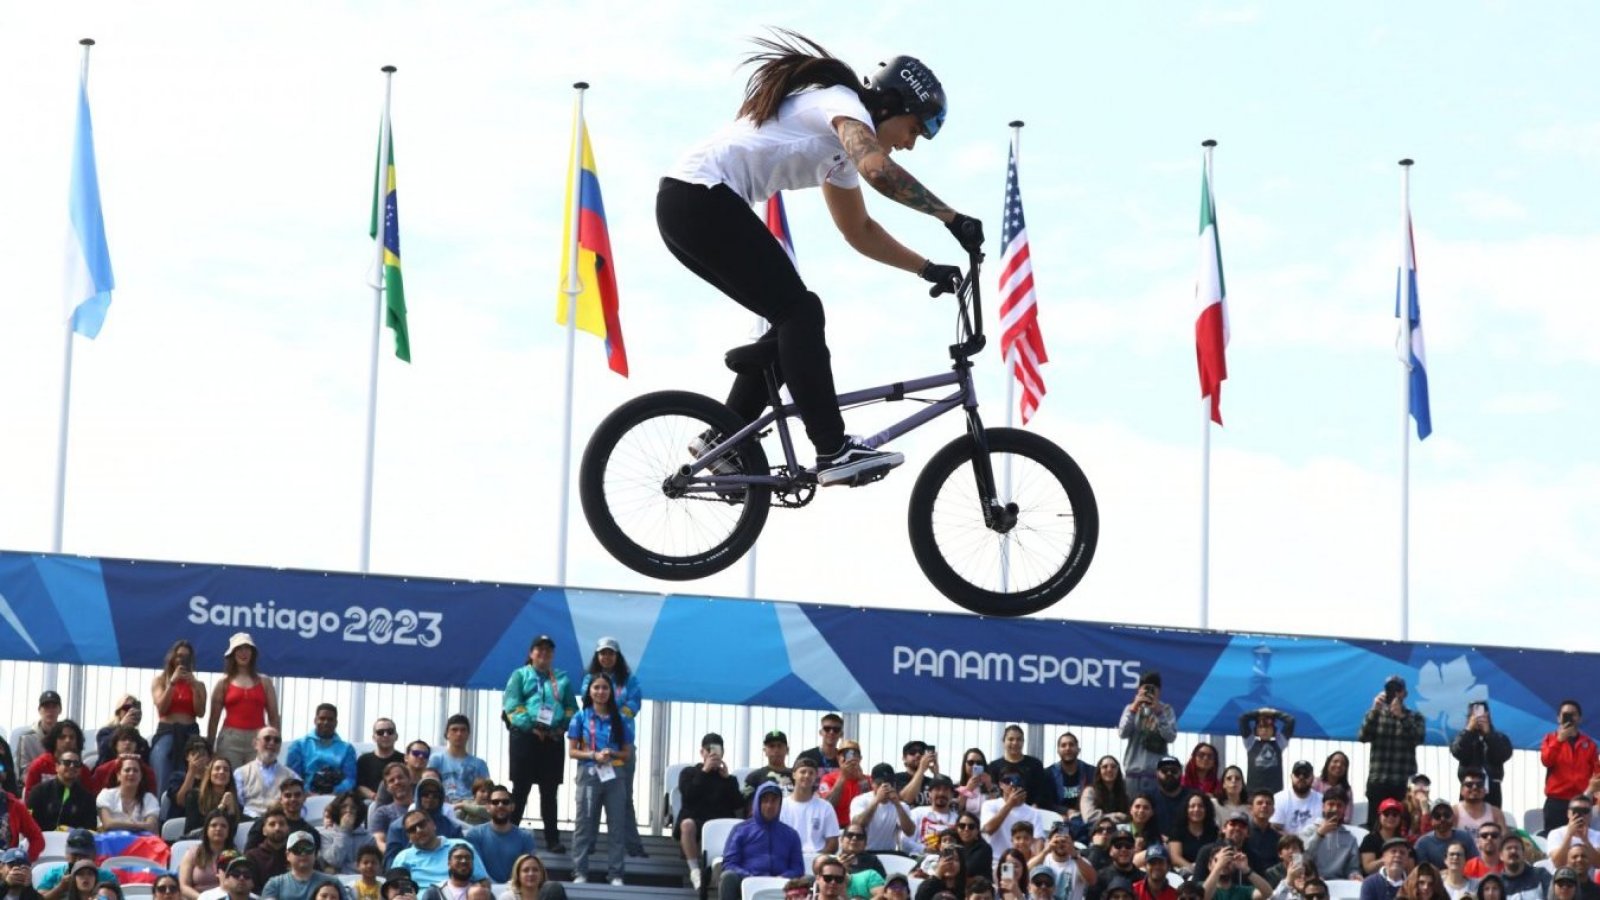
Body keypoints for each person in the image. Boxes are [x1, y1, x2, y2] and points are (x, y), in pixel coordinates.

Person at [659, 30, 981, 487]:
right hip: (699, 199)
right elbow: (878, 171)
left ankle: (724, 439)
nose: (912, 143)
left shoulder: (841, 150)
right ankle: (832, 448)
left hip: (690, 207)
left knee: (790, 323)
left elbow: (860, 231)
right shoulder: (841, 103)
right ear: (888, 104)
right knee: (800, 312)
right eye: (915, 128)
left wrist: (926, 268)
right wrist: (951, 217)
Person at [501, 634, 575, 853]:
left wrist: (562, 726)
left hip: (553, 739)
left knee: (550, 791)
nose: (544, 654)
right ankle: (509, 835)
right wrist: (531, 727)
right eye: (539, 649)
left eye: (548, 650)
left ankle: (552, 839)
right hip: (525, 738)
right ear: (531, 653)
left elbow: (572, 708)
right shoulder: (520, 675)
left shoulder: (562, 678)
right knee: (521, 789)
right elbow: (512, 706)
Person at [577, 636, 646, 857]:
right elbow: (588, 706)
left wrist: (616, 713)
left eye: (611, 653)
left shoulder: (629, 680)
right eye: (602, 653)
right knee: (591, 802)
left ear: (617, 656)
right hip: (594, 752)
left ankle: (633, 847)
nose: (606, 657)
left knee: (624, 798)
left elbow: (634, 703)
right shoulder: (590, 679)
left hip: (620, 750)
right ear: (597, 656)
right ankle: (588, 848)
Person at [564, 671, 632, 886]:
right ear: (589, 691)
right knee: (584, 823)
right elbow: (572, 752)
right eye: (596, 688)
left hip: (615, 773)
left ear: (611, 692)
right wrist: (593, 755)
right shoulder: (580, 717)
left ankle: (616, 874)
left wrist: (610, 754)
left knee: (617, 825)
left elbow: (626, 753)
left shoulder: (621, 720)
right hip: (589, 773)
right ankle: (580, 872)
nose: (601, 692)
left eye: (605, 688)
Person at [676, 731, 743, 889]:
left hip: (721, 823)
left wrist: (727, 780)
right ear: (702, 752)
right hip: (697, 820)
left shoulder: (729, 779)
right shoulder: (689, 773)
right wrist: (704, 772)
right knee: (686, 825)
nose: (712, 754)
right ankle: (694, 871)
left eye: (716, 750)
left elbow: (738, 804)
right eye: (708, 750)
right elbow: (688, 796)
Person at [1358, 677, 1426, 830]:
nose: (1394, 693)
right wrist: (1374, 709)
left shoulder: (1415, 716)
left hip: (1403, 782)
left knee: (1403, 826)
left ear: (1405, 693)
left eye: (1398, 690)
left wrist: (1401, 717)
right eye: (1390, 689)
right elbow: (1363, 736)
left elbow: (1418, 738)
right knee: (1375, 827)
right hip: (1378, 781)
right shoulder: (1377, 714)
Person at [719, 782, 805, 900]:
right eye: (765, 801)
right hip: (747, 881)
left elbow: (798, 868)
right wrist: (749, 876)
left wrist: (783, 877)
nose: (769, 805)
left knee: (810, 880)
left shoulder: (791, 834)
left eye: (774, 801)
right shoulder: (740, 830)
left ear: (780, 804)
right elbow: (729, 864)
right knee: (727, 877)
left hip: (782, 884)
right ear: (757, 804)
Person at [208, 632, 281, 769]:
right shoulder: (223, 683)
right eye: (239, 649)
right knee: (231, 782)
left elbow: (273, 716)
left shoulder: (265, 682)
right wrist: (210, 748)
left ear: (253, 653)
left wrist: (275, 743)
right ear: (233, 654)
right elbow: (213, 719)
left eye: (247, 648)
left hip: (259, 738)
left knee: (257, 781)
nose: (243, 653)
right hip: (230, 739)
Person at [151, 640, 209, 800]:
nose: (182, 660)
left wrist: (194, 687)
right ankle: (161, 804)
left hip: (190, 731)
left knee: (195, 764)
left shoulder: (199, 684)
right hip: (167, 730)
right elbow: (161, 708)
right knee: (162, 758)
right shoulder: (160, 681)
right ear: (172, 658)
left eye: (186, 657)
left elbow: (200, 712)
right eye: (179, 656)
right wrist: (172, 683)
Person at [1541, 701, 1600, 837]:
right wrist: (1559, 740)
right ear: (1558, 718)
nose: (1569, 717)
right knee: (1555, 840)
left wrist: (1595, 798)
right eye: (1565, 714)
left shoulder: (1589, 744)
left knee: (1580, 840)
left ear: (1579, 718)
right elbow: (1546, 761)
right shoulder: (1550, 739)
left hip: (1582, 801)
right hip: (1556, 802)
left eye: (1573, 714)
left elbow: (1597, 773)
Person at [391, 811, 487, 891]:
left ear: (433, 824)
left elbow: (483, 882)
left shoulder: (462, 847)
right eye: (412, 829)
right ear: (409, 837)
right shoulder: (403, 858)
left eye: (422, 824)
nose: (419, 830)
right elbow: (394, 891)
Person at [1120, 674, 1178, 798]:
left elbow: (1171, 737)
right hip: (1133, 774)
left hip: (1156, 775)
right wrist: (1134, 708)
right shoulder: (1130, 708)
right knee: (1134, 812)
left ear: (1159, 691)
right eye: (1146, 688)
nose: (1149, 692)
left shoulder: (1166, 710)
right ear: (1139, 689)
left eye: (1153, 689)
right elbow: (1123, 733)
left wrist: (1159, 713)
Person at [463, 785, 532, 885]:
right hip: (483, 890)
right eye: (495, 802)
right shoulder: (475, 835)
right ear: (488, 807)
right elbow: (477, 869)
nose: (500, 805)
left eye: (505, 802)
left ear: (512, 807)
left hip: (515, 891)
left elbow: (527, 869)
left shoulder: (525, 837)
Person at [1449, 704, 1512, 810]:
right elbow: (1458, 752)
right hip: (1468, 788)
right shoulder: (1463, 736)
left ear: (1488, 716)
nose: (1478, 718)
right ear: (1469, 717)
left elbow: (1501, 755)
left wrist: (1488, 735)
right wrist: (1469, 729)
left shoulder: (1500, 737)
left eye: (1482, 715)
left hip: (1492, 789)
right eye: (1474, 715)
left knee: (1492, 822)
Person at [285, 705, 356, 797]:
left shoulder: (347, 748)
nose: (326, 722)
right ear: (315, 720)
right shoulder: (298, 745)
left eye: (330, 719)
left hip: (337, 798)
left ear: (336, 722)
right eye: (322, 718)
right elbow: (293, 776)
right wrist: (308, 792)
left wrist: (334, 792)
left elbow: (350, 780)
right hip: (304, 797)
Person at [1299, 787, 1362, 881]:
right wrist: (1319, 834)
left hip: (1339, 885)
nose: (1335, 809)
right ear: (1323, 807)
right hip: (1313, 883)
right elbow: (1301, 858)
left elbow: (1352, 868)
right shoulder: (1308, 831)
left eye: (1339, 805)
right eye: (1331, 804)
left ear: (1344, 809)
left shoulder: (1350, 838)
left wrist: (1354, 875)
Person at [262, 830, 345, 900]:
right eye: (298, 849)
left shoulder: (333, 883)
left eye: (308, 849)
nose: (303, 853)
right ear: (287, 855)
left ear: (315, 853)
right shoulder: (275, 884)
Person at [783, 756, 842, 854]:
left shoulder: (825, 807)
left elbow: (833, 843)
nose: (807, 776)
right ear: (794, 775)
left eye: (811, 773)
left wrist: (817, 859)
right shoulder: (781, 806)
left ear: (815, 777)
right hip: (787, 858)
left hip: (818, 860)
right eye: (803, 772)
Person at [25, 747, 95, 831]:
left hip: (74, 842)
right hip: (44, 840)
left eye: (76, 764)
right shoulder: (39, 792)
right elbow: (29, 822)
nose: (72, 766)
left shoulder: (87, 797)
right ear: (57, 767)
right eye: (67, 763)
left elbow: (90, 828)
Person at [983, 766, 1045, 858]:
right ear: (1000, 784)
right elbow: (988, 829)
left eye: (1017, 780)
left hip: (1023, 864)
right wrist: (1010, 804)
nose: (1012, 784)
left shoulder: (1034, 813)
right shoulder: (989, 805)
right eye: (1007, 781)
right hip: (996, 861)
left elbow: (1038, 846)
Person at [32, 829, 114, 900]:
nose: (78, 860)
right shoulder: (53, 874)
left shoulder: (107, 877)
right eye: (75, 855)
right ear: (66, 854)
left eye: (84, 855)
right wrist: (60, 888)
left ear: (94, 855)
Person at [248, 776, 320, 854]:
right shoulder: (264, 824)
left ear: (304, 797)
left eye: (297, 795)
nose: (293, 799)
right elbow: (248, 855)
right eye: (288, 795)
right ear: (281, 799)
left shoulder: (311, 833)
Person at [850, 763, 914, 851]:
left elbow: (910, 832)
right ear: (872, 783)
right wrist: (876, 800)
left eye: (889, 783)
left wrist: (897, 804)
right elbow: (857, 824)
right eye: (879, 783)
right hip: (864, 852)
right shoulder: (860, 800)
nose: (884, 787)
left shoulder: (901, 805)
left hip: (888, 852)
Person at [1029, 821, 1094, 900]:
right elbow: (1026, 872)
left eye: (1065, 840)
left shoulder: (1079, 861)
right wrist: (1046, 851)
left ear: (1072, 842)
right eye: (1057, 839)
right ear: (1049, 841)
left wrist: (1074, 854)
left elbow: (1092, 880)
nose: (1061, 843)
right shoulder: (1043, 859)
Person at [181, 812, 238, 900]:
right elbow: (184, 886)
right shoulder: (192, 853)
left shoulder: (235, 855)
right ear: (206, 830)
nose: (218, 829)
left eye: (223, 826)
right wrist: (203, 898)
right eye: (213, 825)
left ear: (228, 831)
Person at [96, 755, 159, 831]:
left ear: (141, 776)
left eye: (135, 770)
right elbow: (108, 824)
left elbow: (151, 827)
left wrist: (120, 824)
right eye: (127, 770)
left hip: (140, 842)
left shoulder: (149, 798)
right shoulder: (106, 795)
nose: (131, 773)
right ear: (118, 775)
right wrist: (140, 825)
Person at [23, 720, 86, 794]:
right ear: (53, 740)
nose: (67, 740)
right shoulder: (39, 766)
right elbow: (29, 797)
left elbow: (89, 798)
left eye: (72, 737)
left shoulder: (82, 770)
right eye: (62, 737)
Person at [185, 755, 243, 835]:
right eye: (217, 768)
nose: (222, 772)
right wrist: (221, 807)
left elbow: (233, 833)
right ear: (210, 774)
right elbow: (192, 829)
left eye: (226, 770)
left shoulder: (234, 802)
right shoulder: (194, 797)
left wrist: (231, 811)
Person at [89, 728, 157, 794]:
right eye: (123, 739)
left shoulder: (147, 771)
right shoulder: (102, 771)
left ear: (137, 746)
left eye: (132, 740)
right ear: (116, 744)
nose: (127, 743)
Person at [821, 740, 873, 827]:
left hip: (860, 829)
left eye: (854, 754)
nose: (850, 758)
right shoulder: (828, 779)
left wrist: (862, 781)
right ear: (838, 758)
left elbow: (872, 805)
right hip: (836, 828)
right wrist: (843, 777)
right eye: (845, 754)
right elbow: (827, 805)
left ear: (860, 758)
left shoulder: (869, 779)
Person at [315, 791, 368, 875]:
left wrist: (340, 868)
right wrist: (344, 831)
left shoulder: (368, 837)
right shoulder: (324, 835)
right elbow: (334, 861)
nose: (348, 811)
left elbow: (368, 866)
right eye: (344, 807)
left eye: (353, 807)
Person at [1414, 799, 1477, 869]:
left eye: (1446, 815)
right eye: (1437, 816)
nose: (1442, 819)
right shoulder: (1423, 843)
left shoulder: (1465, 838)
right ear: (1431, 820)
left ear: (1453, 817)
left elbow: (1475, 865)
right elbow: (1422, 872)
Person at [1169, 793, 1219, 876]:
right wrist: (1195, 869)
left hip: (1209, 873)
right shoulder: (1177, 830)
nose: (1196, 809)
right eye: (1192, 806)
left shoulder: (1214, 831)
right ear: (1186, 809)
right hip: (1184, 874)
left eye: (1201, 806)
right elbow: (1175, 857)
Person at [15, 693, 64, 777]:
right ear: (39, 710)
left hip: (62, 787)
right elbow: (23, 773)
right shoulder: (26, 738)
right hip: (34, 786)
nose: (50, 710)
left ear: (60, 710)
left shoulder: (67, 738)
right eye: (46, 707)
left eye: (54, 707)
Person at [1048, 733, 1094, 821]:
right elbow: (1046, 803)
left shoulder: (1090, 772)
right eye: (1063, 745)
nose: (1068, 748)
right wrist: (1066, 811)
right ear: (1058, 750)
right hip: (1060, 820)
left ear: (1078, 749)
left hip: (1086, 819)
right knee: (1063, 833)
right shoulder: (1049, 773)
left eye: (1071, 745)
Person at [1360, 799, 1411, 876]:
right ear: (1379, 816)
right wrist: (1389, 859)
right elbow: (1368, 869)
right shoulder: (1369, 839)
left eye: (1395, 814)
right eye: (1386, 814)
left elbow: (1410, 870)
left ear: (1400, 818)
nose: (1390, 817)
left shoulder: (1405, 842)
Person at [1202, 845, 1271, 900]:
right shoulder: (1199, 887)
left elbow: (1268, 893)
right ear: (1209, 865)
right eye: (1217, 860)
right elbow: (1203, 897)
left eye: (1229, 860)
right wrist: (1218, 867)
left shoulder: (1243, 891)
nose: (1225, 863)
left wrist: (1246, 869)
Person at [1154, 758, 1201, 837]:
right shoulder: (1148, 798)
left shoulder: (1193, 797)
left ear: (1181, 773)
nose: (1169, 774)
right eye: (1164, 771)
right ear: (1157, 774)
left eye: (1174, 771)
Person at [1272, 763, 1324, 835]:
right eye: (1297, 774)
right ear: (1291, 776)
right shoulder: (1278, 798)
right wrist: (1294, 842)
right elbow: (1275, 827)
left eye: (1305, 774)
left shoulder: (1322, 800)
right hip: (1287, 844)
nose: (1301, 777)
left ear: (1312, 778)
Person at [416, 844, 482, 900]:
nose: (463, 861)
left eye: (467, 858)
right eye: (458, 858)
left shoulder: (482, 892)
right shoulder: (434, 893)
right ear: (449, 864)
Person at [1495, 833, 1549, 900]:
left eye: (1517, 848)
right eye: (1509, 848)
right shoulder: (1496, 884)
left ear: (1523, 854)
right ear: (1501, 856)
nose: (1513, 851)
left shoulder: (1541, 875)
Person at [356, 721, 400, 803]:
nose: (385, 735)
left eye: (390, 732)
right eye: (380, 732)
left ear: (396, 736)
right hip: (370, 802)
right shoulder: (364, 760)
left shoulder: (403, 760)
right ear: (374, 737)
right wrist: (375, 797)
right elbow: (359, 786)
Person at [1451, 771, 1505, 836]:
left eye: (1479, 785)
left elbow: (1504, 840)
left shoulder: (1496, 813)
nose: (1474, 787)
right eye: (1469, 785)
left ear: (1485, 790)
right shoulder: (1453, 812)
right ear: (1461, 790)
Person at [247, 806, 292, 883]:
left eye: (282, 824)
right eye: (272, 824)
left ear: (288, 829)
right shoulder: (252, 856)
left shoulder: (296, 855)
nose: (277, 828)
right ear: (264, 830)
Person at [1084, 757, 1131, 827]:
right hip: (1097, 831)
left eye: (1113, 767)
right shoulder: (1090, 791)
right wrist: (1115, 816)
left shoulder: (1125, 791)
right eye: (1105, 767)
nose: (1109, 770)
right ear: (1099, 771)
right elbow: (1089, 817)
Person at [749, 730, 796, 797]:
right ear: (765, 751)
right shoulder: (754, 777)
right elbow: (747, 804)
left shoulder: (798, 776)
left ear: (787, 750)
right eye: (771, 746)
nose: (776, 750)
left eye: (779, 746)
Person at [499, 854, 564, 900]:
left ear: (541, 874)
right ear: (518, 875)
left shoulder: (550, 896)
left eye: (535, 870)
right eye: (526, 870)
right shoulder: (507, 898)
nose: (531, 874)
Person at [1314, 754, 1355, 824]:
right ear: (1328, 764)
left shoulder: (1347, 790)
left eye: (1343, 764)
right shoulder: (1315, 783)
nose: (1339, 765)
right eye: (1335, 761)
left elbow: (1347, 817)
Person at [958, 750, 999, 818]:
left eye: (979, 763)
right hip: (967, 826)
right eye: (970, 762)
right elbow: (955, 809)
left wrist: (989, 787)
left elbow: (997, 808)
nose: (975, 766)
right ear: (964, 765)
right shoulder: (957, 787)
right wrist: (967, 790)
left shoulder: (993, 787)